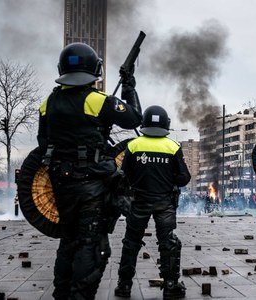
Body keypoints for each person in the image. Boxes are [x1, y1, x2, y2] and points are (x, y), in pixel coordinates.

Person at [37, 42, 142, 299]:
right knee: (91, 245)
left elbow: (43, 143)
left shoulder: (48, 103)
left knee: (69, 240)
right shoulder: (96, 100)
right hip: (92, 186)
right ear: (95, 70)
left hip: (62, 184)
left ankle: (62, 293)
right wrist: (129, 87)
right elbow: (134, 118)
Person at [115, 105, 191, 299]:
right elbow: (184, 178)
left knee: (131, 242)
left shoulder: (133, 145)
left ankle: (124, 285)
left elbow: (124, 175)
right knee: (168, 243)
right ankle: (171, 285)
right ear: (166, 124)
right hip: (164, 203)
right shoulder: (173, 146)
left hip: (138, 202)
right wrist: (169, 176)